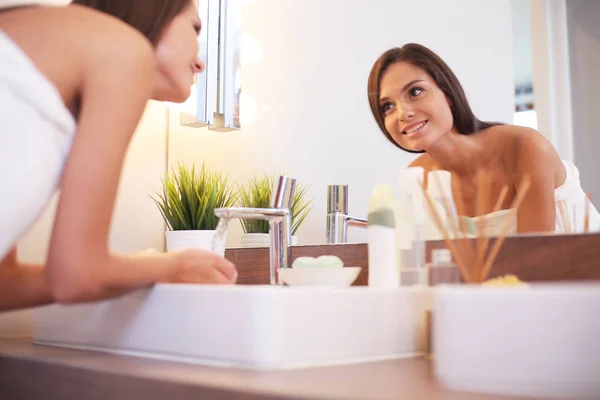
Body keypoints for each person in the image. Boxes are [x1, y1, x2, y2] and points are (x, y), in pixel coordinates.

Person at [0, 0, 238, 313]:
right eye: (195, 27)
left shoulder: (26, 42)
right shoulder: (122, 49)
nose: (200, 64)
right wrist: (171, 267)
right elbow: (77, 276)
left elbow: (5, 285)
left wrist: (139, 268)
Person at [367, 43, 600, 237]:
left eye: (415, 92)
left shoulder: (525, 147)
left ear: (447, 94)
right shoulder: (419, 177)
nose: (402, 113)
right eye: (387, 106)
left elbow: (535, 261)